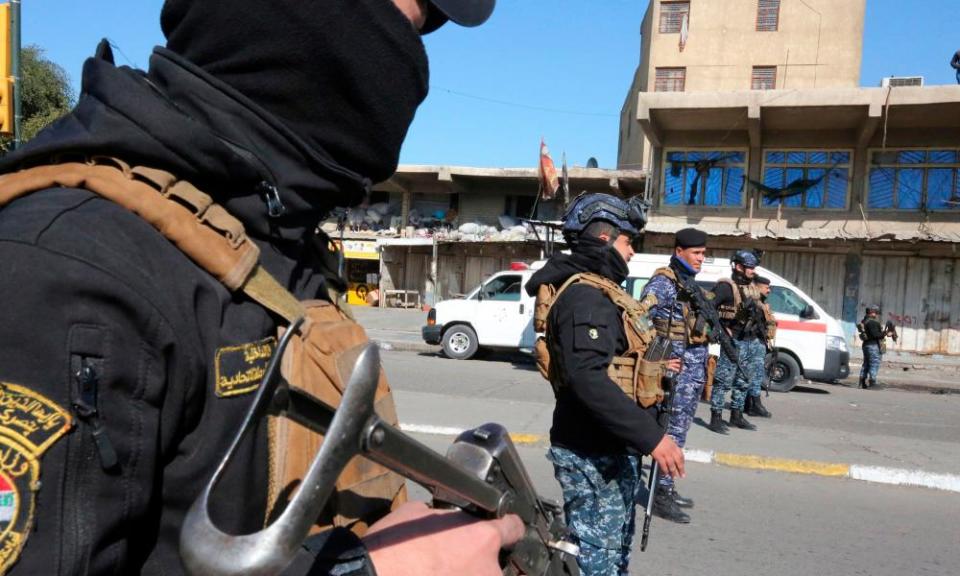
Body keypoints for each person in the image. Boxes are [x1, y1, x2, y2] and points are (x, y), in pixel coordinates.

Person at [0, 1, 520, 575]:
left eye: (422, 30)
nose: (409, 48)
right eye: (402, 13)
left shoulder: (275, 245)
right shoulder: (64, 267)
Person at [526, 192, 685, 575]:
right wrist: (652, 437)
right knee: (595, 561)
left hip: (606, 446)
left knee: (612, 557)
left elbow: (615, 363)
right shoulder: (586, 297)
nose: (631, 252)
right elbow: (587, 379)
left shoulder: (600, 292)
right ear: (603, 238)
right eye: (628, 241)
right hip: (591, 452)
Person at [639, 227, 710, 524]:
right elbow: (640, 321)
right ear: (679, 251)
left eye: (704, 254)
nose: (701, 259)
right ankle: (660, 494)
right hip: (674, 375)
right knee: (669, 432)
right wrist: (662, 361)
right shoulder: (663, 283)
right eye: (696, 253)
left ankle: (666, 486)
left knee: (678, 433)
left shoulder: (688, 284)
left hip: (691, 374)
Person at [708, 249, 766, 433]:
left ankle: (737, 415)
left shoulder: (752, 288)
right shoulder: (726, 287)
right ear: (739, 267)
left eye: (753, 267)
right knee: (723, 380)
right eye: (749, 267)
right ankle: (716, 417)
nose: (752, 271)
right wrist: (720, 328)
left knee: (744, 381)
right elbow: (708, 308)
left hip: (750, 341)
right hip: (733, 341)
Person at [745, 275, 774, 418]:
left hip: (760, 342)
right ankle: (755, 405)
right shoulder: (754, 303)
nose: (769, 290)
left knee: (753, 375)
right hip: (754, 342)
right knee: (755, 376)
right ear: (757, 287)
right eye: (766, 287)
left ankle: (748, 405)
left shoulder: (762, 303)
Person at [857, 304, 893, 389]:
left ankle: (862, 382)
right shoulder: (872, 322)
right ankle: (872, 382)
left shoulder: (864, 321)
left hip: (866, 345)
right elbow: (876, 335)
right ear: (872, 312)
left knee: (866, 364)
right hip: (873, 346)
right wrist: (886, 333)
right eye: (876, 312)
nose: (876, 314)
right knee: (874, 363)